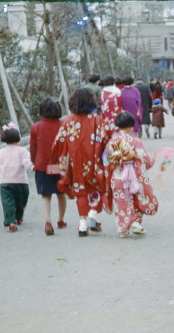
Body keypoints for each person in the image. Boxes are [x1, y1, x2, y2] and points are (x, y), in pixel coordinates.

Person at [51, 88, 110, 237]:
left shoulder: (68, 121)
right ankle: (92, 213)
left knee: (81, 192)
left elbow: (58, 143)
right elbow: (106, 142)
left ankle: (82, 224)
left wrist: (56, 166)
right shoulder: (98, 120)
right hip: (94, 162)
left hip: (75, 163)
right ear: (92, 102)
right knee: (96, 188)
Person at [105, 111, 158, 238]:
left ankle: (123, 228)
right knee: (136, 198)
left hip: (118, 176)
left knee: (121, 202)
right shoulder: (136, 141)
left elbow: (106, 163)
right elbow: (147, 161)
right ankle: (135, 223)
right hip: (135, 177)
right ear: (131, 126)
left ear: (117, 125)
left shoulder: (111, 142)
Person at [30, 98, 67, 235]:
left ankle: (48, 221)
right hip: (60, 165)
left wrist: (34, 161)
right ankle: (61, 220)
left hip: (43, 165)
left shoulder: (36, 127)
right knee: (61, 193)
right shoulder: (63, 125)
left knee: (45, 195)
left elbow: (33, 148)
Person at [0, 123, 34, 232]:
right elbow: (27, 162)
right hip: (21, 182)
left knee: (8, 202)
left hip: (5, 183)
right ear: (18, 138)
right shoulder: (22, 151)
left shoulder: (0, 152)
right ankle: (18, 217)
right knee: (21, 201)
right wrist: (33, 167)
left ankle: (11, 221)